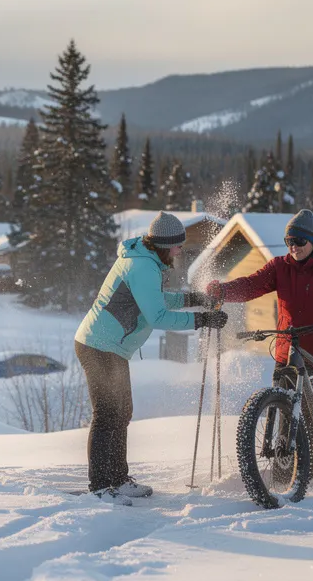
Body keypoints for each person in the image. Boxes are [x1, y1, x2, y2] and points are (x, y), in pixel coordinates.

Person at [74, 211, 228, 502]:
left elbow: (156, 299)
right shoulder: (143, 267)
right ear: (164, 245)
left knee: (122, 413)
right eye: (177, 245)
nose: (180, 250)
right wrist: (200, 321)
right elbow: (157, 315)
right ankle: (100, 487)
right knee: (108, 414)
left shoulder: (147, 261)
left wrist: (194, 300)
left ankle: (118, 480)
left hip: (111, 347)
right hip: (98, 346)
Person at [205, 209, 313, 477]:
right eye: (288, 242)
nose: (293, 247)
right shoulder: (279, 267)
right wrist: (224, 291)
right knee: (286, 414)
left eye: (299, 242)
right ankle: (284, 478)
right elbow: (252, 285)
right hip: (287, 352)